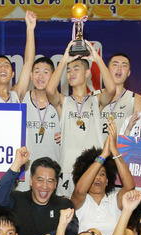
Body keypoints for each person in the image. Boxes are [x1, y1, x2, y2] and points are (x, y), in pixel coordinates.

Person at [46, 40, 116, 198]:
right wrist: (64, 59)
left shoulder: (96, 100)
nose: (71, 73)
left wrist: (97, 59)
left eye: (76, 69)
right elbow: (50, 90)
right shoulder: (64, 101)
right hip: (68, 168)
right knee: (67, 210)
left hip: (93, 168)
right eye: (68, 70)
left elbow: (111, 89)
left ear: (87, 73)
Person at [70, 123, 136, 235]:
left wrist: (114, 151)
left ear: (107, 181)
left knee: (128, 234)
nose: (98, 178)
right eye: (94, 174)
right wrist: (103, 156)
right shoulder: (80, 201)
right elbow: (79, 190)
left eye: (102, 174)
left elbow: (129, 186)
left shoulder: (114, 200)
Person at [23, 57, 62, 186]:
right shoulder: (21, 100)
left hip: (54, 174)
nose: (40, 76)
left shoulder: (62, 102)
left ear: (54, 76)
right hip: (26, 173)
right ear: (31, 75)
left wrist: (68, 135)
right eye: (37, 71)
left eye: (46, 72)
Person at [100, 53, 141, 137]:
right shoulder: (94, 96)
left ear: (129, 73)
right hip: (96, 146)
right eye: (115, 64)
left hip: (121, 146)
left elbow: (138, 132)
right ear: (107, 70)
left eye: (124, 66)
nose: (119, 68)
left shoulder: (136, 99)